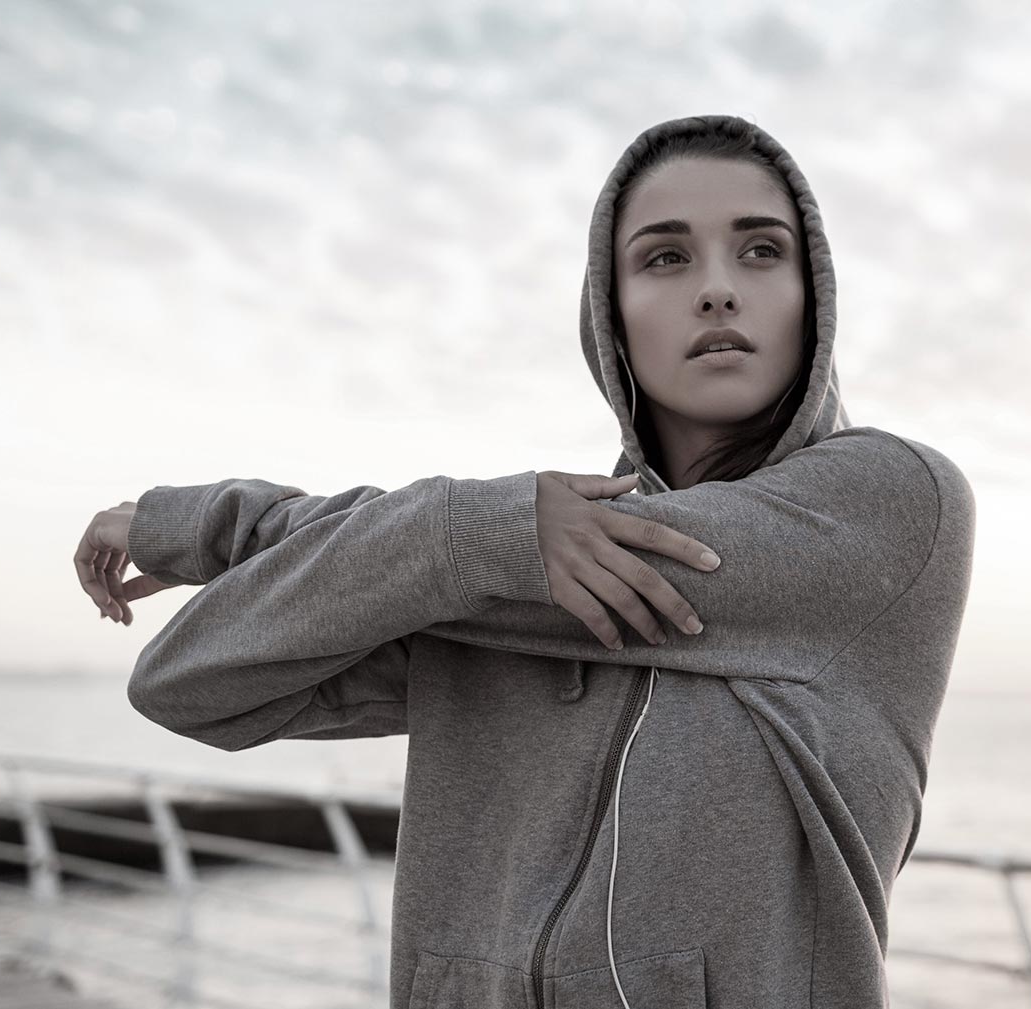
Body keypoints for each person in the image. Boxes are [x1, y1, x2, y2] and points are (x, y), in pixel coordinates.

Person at [74, 114, 976, 1009]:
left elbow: (533, 555)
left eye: (761, 251)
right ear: (608, 315)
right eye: (666, 257)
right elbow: (185, 680)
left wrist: (220, 530)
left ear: (813, 297)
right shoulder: (497, 575)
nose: (716, 290)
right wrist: (469, 534)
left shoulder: (893, 502)